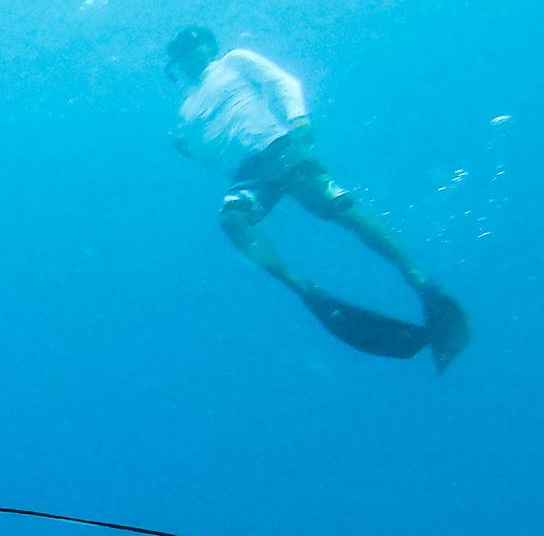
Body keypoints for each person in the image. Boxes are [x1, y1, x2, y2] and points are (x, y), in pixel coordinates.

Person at [165, 26, 469, 370]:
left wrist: (298, 118)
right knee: (232, 220)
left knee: (337, 208)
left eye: (197, 45)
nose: (193, 53)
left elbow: (282, 81)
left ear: (208, 46)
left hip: (279, 149)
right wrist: (188, 152)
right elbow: (213, 156)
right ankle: (305, 289)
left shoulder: (234, 61)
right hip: (247, 174)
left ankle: (415, 276)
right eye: (185, 50)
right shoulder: (186, 111)